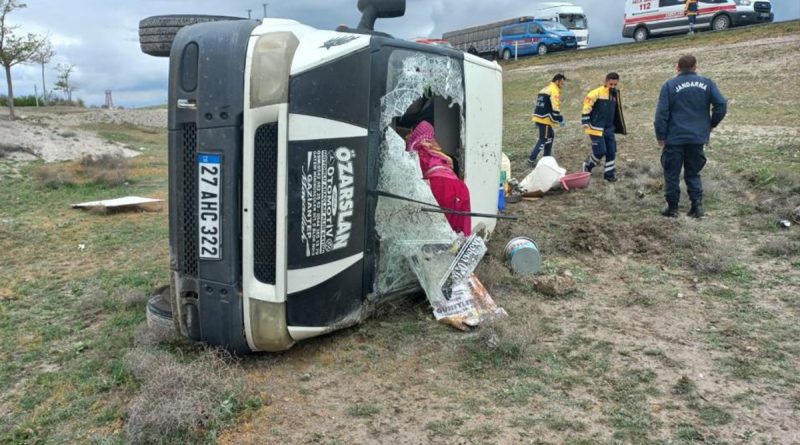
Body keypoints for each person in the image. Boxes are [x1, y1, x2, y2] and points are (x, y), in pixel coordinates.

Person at [654, 54, 727, 218]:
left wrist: (660, 135)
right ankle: (697, 207)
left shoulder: (669, 86)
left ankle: (672, 208)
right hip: (697, 137)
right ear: (695, 67)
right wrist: (711, 124)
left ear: (677, 68)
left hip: (674, 138)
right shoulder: (707, 83)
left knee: (672, 173)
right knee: (693, 172)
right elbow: (721, 105)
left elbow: (661, 114)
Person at [406, 121, 472, 235]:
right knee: (459, 234)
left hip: (441, 186)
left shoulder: (417, 148)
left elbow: (413, 175)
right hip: (461, 188)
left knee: (439, 231)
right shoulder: (438, 153)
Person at [581, 72, 627, 182]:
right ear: (605, 82)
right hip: (595, 128)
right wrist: (585, 119)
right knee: (600, 151)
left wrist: (618, 127)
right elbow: (587, 105)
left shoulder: (615, 95)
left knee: (611, 152)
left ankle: (609, 175)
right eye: (611, 84)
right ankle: (588, 166)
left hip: (609, 128)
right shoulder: (595, 93)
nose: (613, 87)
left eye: (615, 85)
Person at [528, 74, 567, 165]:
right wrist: (559, 118)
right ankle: (532, 159)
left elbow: (539, 104)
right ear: (557, 81)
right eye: (562, 83)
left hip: (539, 117)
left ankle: (547, 156)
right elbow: (555, 106)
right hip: (544, 119)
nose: (562, 85)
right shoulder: (554, 91)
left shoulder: (544, 89)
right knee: (543, 138)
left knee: (550, 135)